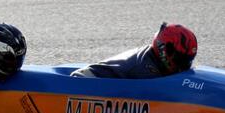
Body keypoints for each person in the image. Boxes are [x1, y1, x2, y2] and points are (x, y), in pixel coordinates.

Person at [70, 22, 198, 79]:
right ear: (165, 49)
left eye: (188, 61)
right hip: (84, 81)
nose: (184, 66)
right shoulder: (145, 70)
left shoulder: (153, 58)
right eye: (182, 60)